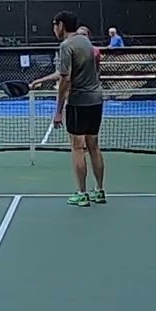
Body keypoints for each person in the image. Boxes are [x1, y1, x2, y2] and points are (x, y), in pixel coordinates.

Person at [53, 11, 107, 207]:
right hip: (96, 100)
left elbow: (65, 78)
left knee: (77, 148)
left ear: (61, 25)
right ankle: (99, 190)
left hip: (79, 102)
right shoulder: (87, 43)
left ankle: (82, 193)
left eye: (55, 25)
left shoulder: (66, 46)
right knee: (94, 146)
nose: (54, 29)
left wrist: (58, 110)